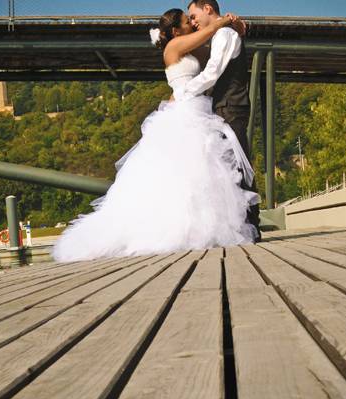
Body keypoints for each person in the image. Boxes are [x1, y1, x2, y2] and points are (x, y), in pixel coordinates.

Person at [52, 9, 259, 262]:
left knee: (200, 171)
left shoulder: (191, 47)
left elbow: (216, 51)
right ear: (175, 31)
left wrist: (235, 31)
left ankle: (199, 226)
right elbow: (208, 33)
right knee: (182, 169)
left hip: (197, 107)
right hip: (185, 109)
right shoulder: (173, 46)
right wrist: (224, 20)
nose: (192, 24)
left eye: (192, 18)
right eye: (187, 21)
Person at [183, 0, 261, 241]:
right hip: (225, 107)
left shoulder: (225, 33)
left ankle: (252, 226)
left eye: (194, 16)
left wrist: (184, 91)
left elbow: (213, 72)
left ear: (208, 8)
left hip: (231, 107)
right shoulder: (221, 33)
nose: (193, 22)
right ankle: (239, 225)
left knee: (237, 164)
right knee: (227, 166)